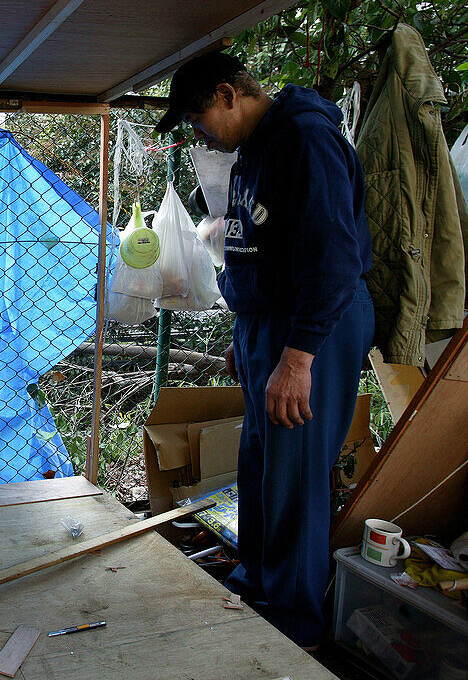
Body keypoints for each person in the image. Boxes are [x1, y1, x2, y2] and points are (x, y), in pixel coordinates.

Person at [156, 52, 374, 649]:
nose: (199, 134)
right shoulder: (254, 147)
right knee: (259, 462)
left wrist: (298, 357)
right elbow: (256, 246)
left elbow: (331, 258)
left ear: (228, 94)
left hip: (312, 324)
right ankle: (258, 582)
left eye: (199, 120)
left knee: (294, 474)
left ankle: (294, 625)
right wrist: (244, 335)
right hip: (267, 325)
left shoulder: (305, 137)